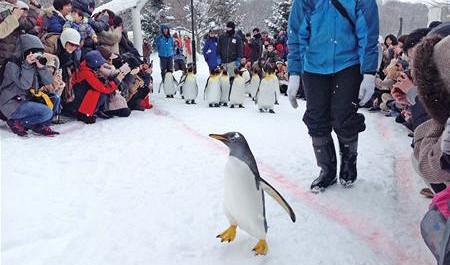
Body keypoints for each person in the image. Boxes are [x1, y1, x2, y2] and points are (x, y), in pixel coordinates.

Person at [287, 0, 379, 192]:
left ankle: (348, 163)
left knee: (344, 118)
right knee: (316, 118)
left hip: (348, 64)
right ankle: (327, 170)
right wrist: (294, 73)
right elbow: (295, 36)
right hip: (313, 66)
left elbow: (368, 36)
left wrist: (369, 73)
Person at [0, 34, 59, 136]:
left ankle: (41, 126)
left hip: (26, 98)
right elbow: (25, 85)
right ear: (26, 51)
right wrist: (27, 66)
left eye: (39, 52)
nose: (36, 55)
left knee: (55, 98)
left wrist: (42, 68)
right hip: (11, 103)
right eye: (34, 52)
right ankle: (16, 121)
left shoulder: (34, 64)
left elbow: (49, 81)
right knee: (47, 112)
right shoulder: (12, 64)